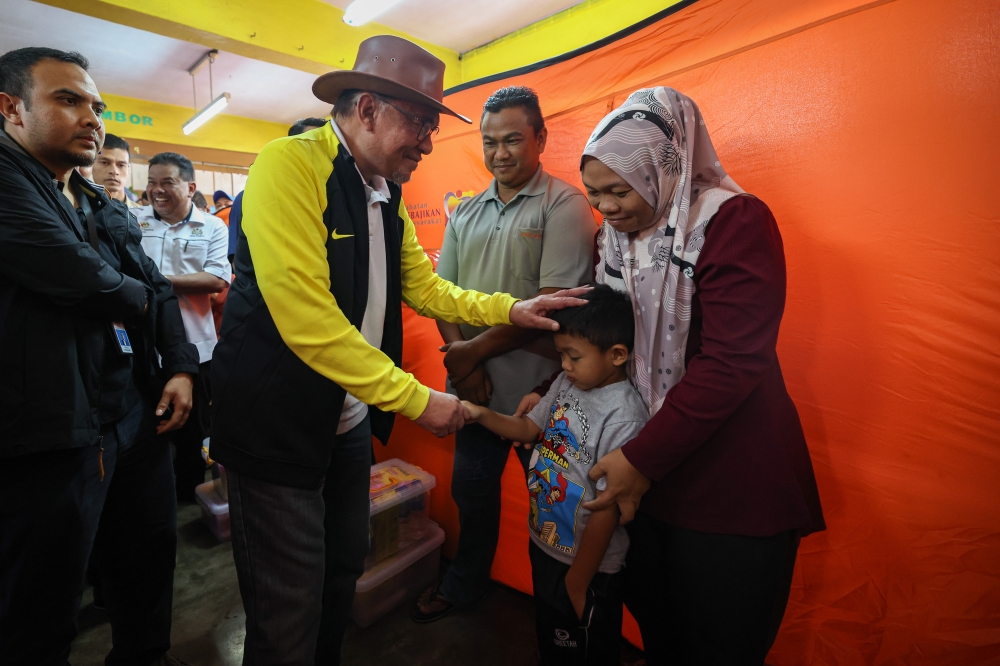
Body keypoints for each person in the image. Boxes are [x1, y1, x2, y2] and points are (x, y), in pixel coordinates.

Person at [210, 35, 587, 665]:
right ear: (366, 110)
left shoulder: (383, 192)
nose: (428, 141)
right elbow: (308, 321)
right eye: (418, 122)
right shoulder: (288, 166)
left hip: (346, 421)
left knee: (338, 577)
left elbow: (428, 287)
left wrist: (510, 309)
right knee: (286, 610)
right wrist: (417, 400)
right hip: (276, 425)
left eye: (433, 126)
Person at [553, 87, 824, 664]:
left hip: (728, 480)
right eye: (594, 193)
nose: (607, 208)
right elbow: (607, 339)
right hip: (648, 482)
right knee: (663, 633)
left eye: (619, 190)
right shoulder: (615, 242)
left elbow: (733, 361)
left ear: (662, 166)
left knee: (721, 641)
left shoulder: (731, 222)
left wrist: (641, 459)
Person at [0, 47, 198, 666]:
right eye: (68, 100)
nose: (92, 117)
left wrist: (183, 366)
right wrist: (134, 296)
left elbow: (159, 289)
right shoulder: (8, 181)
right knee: (43, 601)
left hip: (134, 412)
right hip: (51, 432)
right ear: (10, 108)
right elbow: (81, 276)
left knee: (147, 561)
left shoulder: (98, 202)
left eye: (97, 105)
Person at [412, 86, 595, 622]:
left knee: (558, 509)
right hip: (475, 393)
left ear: (540, 138)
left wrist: (464, 356)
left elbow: (552, 311)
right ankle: (465, 585)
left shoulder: (564, 205)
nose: (501, 153)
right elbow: (441, 294)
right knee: (472, 497)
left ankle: (560, 614)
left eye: (514, 139)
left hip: (541, 398)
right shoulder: (466, 212)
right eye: (490, 142)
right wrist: (462, 358)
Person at [462, 285, 647, 665]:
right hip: (546, 543)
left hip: (588, 567)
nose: (563, 365)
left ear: (616, 355)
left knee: (588, 651)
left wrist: (578, 583)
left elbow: (606, 508)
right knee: (554, 640)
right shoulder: (568, 383)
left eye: (573, 356)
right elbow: (529, 428)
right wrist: (480, 414)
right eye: (561, 354)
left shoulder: (624, 415)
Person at [135, 152, 231, 501]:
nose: (156, 191)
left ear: (190, 187)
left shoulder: (212, 225)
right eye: (151, 183)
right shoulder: (133, 220)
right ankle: (152, 499)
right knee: (147, 428)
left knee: (192, 432)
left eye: (167, 183)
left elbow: (217, 279)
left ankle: (188, 498)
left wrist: (152, 281)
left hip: (197, 348)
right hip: (143, 347)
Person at [227, 117, 326, 264]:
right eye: (313, 144)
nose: (321, 153)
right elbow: (237, 258)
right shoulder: (248, 196)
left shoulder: (328, 194)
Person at [92, 132, 139, 208]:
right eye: (104, 163)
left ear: (129, 170)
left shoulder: (142, 217)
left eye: (121, 165)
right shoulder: (76, 211)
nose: (114, 171)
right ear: (91, 166)